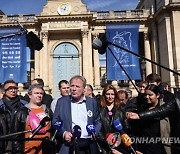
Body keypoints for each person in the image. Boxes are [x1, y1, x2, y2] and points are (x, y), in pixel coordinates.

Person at [53, 75, 101, 154]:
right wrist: (64, 133)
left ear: (83, 89)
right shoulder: (61, 102)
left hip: (88, 144)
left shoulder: (92, 102)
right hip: (69, 145)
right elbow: (55, 121)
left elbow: (98, 121)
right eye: (72, 86)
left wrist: (94, 133)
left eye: (77, 86)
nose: (74, 89)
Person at [126, 84, 171, 154]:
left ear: (158, 95)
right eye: (145, 95)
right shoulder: (142, 108)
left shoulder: (165, 108)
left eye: (150, 95)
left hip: (160, 147)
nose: (147, 97)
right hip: (144, 146)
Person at [12, 84, 53, 153]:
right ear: (29, 95)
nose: (39, 95)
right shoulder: (21, 112)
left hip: (45, 150)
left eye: (41, 93)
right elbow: (15, 135)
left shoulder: (47, 111)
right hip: (28, 150)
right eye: (36, 93)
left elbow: (52, 130)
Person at [98, 84, 131, 154]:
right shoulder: (99, 109)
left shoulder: (121, 109)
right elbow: (98, 129)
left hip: (119, 146)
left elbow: (126, 129)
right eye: (108, 94)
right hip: (103, 145)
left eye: (112, 94)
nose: (110, 97)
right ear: (104, 95)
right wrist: (106, 141)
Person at [0, 80, 28, 153]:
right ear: (4, 91)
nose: (13, 90)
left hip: (20, 142)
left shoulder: (25, 105)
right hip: (3, 142)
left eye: (15, 88)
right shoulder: (0, 106)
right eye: (10, 88)